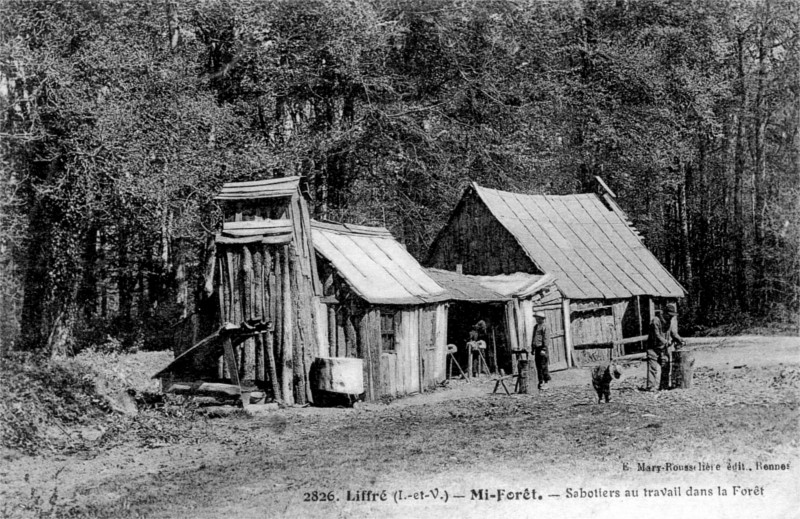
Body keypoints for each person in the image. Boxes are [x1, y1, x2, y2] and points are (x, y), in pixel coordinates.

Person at [646, 309, 670, 391]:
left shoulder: (668, 321)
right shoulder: (655, 321)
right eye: (669, 315)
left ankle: (664, 386)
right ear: (665, 313)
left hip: (662, 348)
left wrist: (680, 339)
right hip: (652, 348)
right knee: (653, 368)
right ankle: (651, 386)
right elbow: (656, 334)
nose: (671, 317)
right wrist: (665, 341)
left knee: (666, 365)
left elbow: (672, 332)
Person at [531, 312, 551, 390]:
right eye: (536, 318)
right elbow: (534, 338)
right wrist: (533, 348)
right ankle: (541, 382)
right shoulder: (536, 327)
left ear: (542, 319)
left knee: (543, 366)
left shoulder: (545, 326)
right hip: (537, 348)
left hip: (543, 348)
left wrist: (544, 349)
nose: (537, 319)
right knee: (538, 366)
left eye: (538, 318)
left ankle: (546, 382)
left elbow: (546, 338)